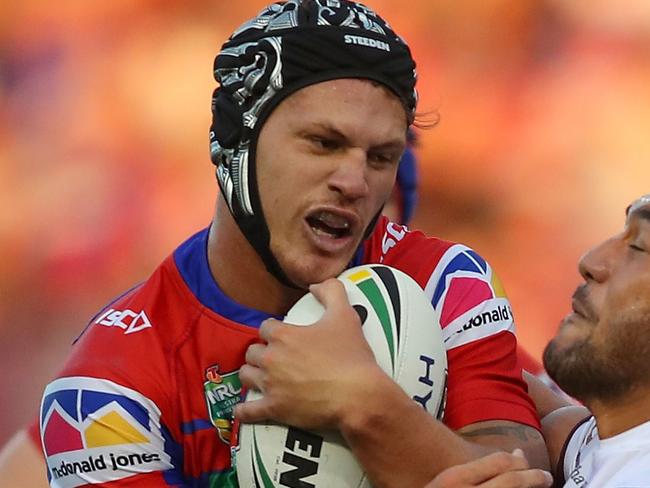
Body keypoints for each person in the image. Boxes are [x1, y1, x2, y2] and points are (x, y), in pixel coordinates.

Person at [30, 1, 551, 486]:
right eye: (324, 143)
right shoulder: (104, 389)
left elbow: (528, 472)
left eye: (380, 157)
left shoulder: (447, 281)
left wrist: (366, 406)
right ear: (235, 139)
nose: (354, 181)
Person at [428, 194, 650, 487]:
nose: (592, 261)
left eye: (637, 247)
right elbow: (561, 424)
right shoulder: (605, 439)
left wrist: (368, 400)